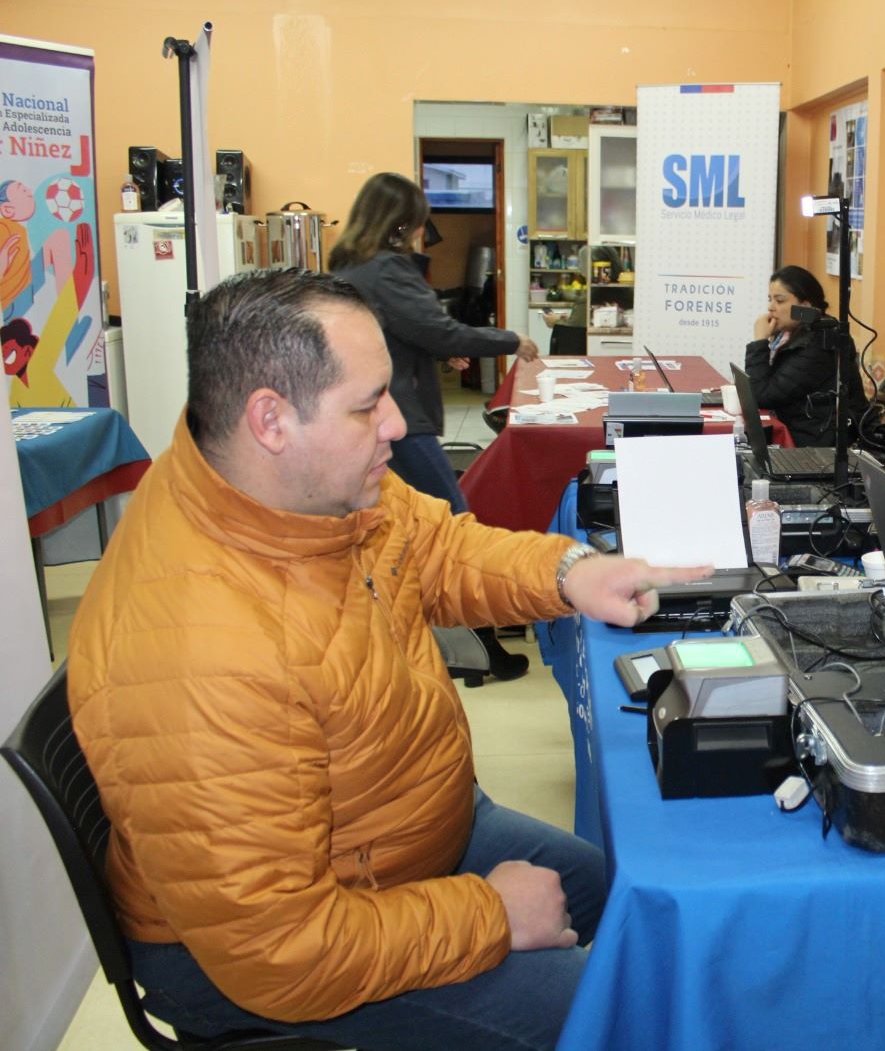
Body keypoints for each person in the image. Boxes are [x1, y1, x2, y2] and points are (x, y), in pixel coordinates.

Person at [67, 269, 710, 1051]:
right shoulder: (201, 652)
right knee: (613, 1017)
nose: (398, 424)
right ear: (270, 419)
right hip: (267, 954)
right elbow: (278, 951)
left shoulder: (299, 487)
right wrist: (487, 916)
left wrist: (569, 571)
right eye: (369, 403)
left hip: (396, 835)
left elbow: (432, 547)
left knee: (629, 897)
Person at [331, 171, 541, 679]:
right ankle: (480, 652)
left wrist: (438, 350)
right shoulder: (388, 269)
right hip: (399, 418)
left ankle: (428, 637)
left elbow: (397, 334)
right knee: (451, 526)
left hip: (367, 410)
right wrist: (509, 340)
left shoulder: (351, 267)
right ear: (405, 223)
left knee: (402, 528)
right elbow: (437, 329)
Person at [744, 264, 867, 447]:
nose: (771, 307)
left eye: (780, 300)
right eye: (770, 299)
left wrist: (759, 343)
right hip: (799, 429)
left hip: (817, 443)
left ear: (805, 306)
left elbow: (763, 395)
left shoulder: (820, 344)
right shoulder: (789, 334)